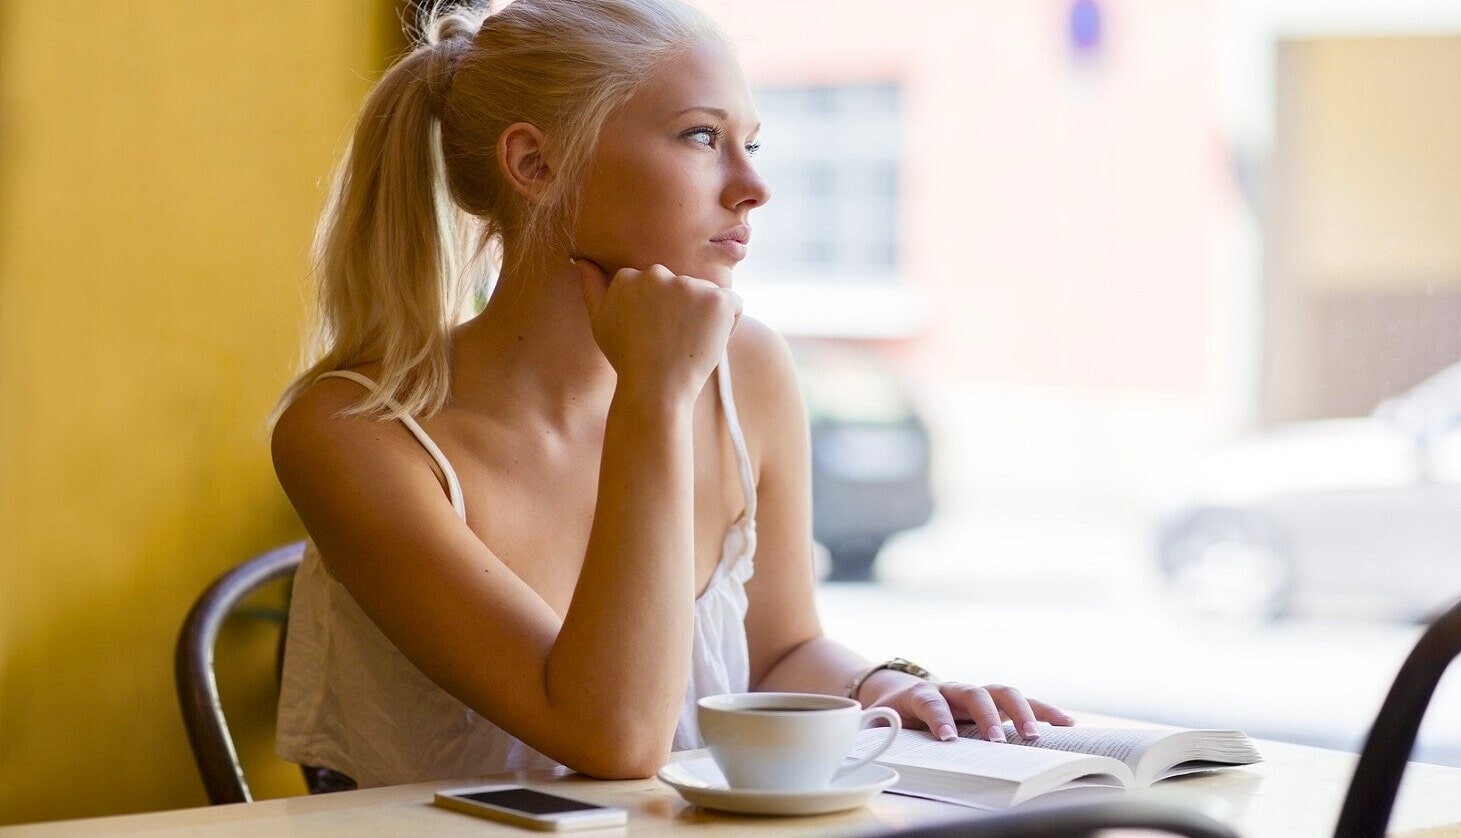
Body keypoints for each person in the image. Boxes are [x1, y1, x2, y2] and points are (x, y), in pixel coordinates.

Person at [270, 0, 1074, 789]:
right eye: (701, 136)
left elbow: (781, 649)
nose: (754, 186)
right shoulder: (350, 432)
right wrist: (652, 395)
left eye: (752, 142)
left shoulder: (749, 370)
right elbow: (613, 739)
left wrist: (885, 687)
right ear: (534, 165)